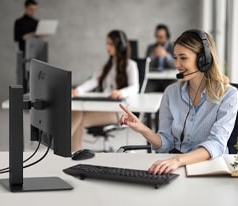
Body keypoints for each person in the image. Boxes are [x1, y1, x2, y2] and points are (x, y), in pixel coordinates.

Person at [120, 29, 238, 175]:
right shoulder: (171, 93)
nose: (177, 64)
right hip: (176, 166)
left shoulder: (229, 95)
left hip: (210, 168)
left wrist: (178, 160)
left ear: (203, 59)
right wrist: (142, 129)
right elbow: (166, 142)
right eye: (175, 57)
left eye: (183, 58)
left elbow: (216, 144)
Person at [71, 30, 139, 152]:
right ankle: (73, 151)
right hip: (104, 106)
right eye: (107, 43)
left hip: (119, 111)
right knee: (77, 111)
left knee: (77, 118)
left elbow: (135, 87)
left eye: (111, 44)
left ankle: (65, 145)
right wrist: (78, 90)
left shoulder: (131, 65)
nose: (107, 47)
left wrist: (121, 92)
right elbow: (94, 81)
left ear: (120, 46)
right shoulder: (109, 65)